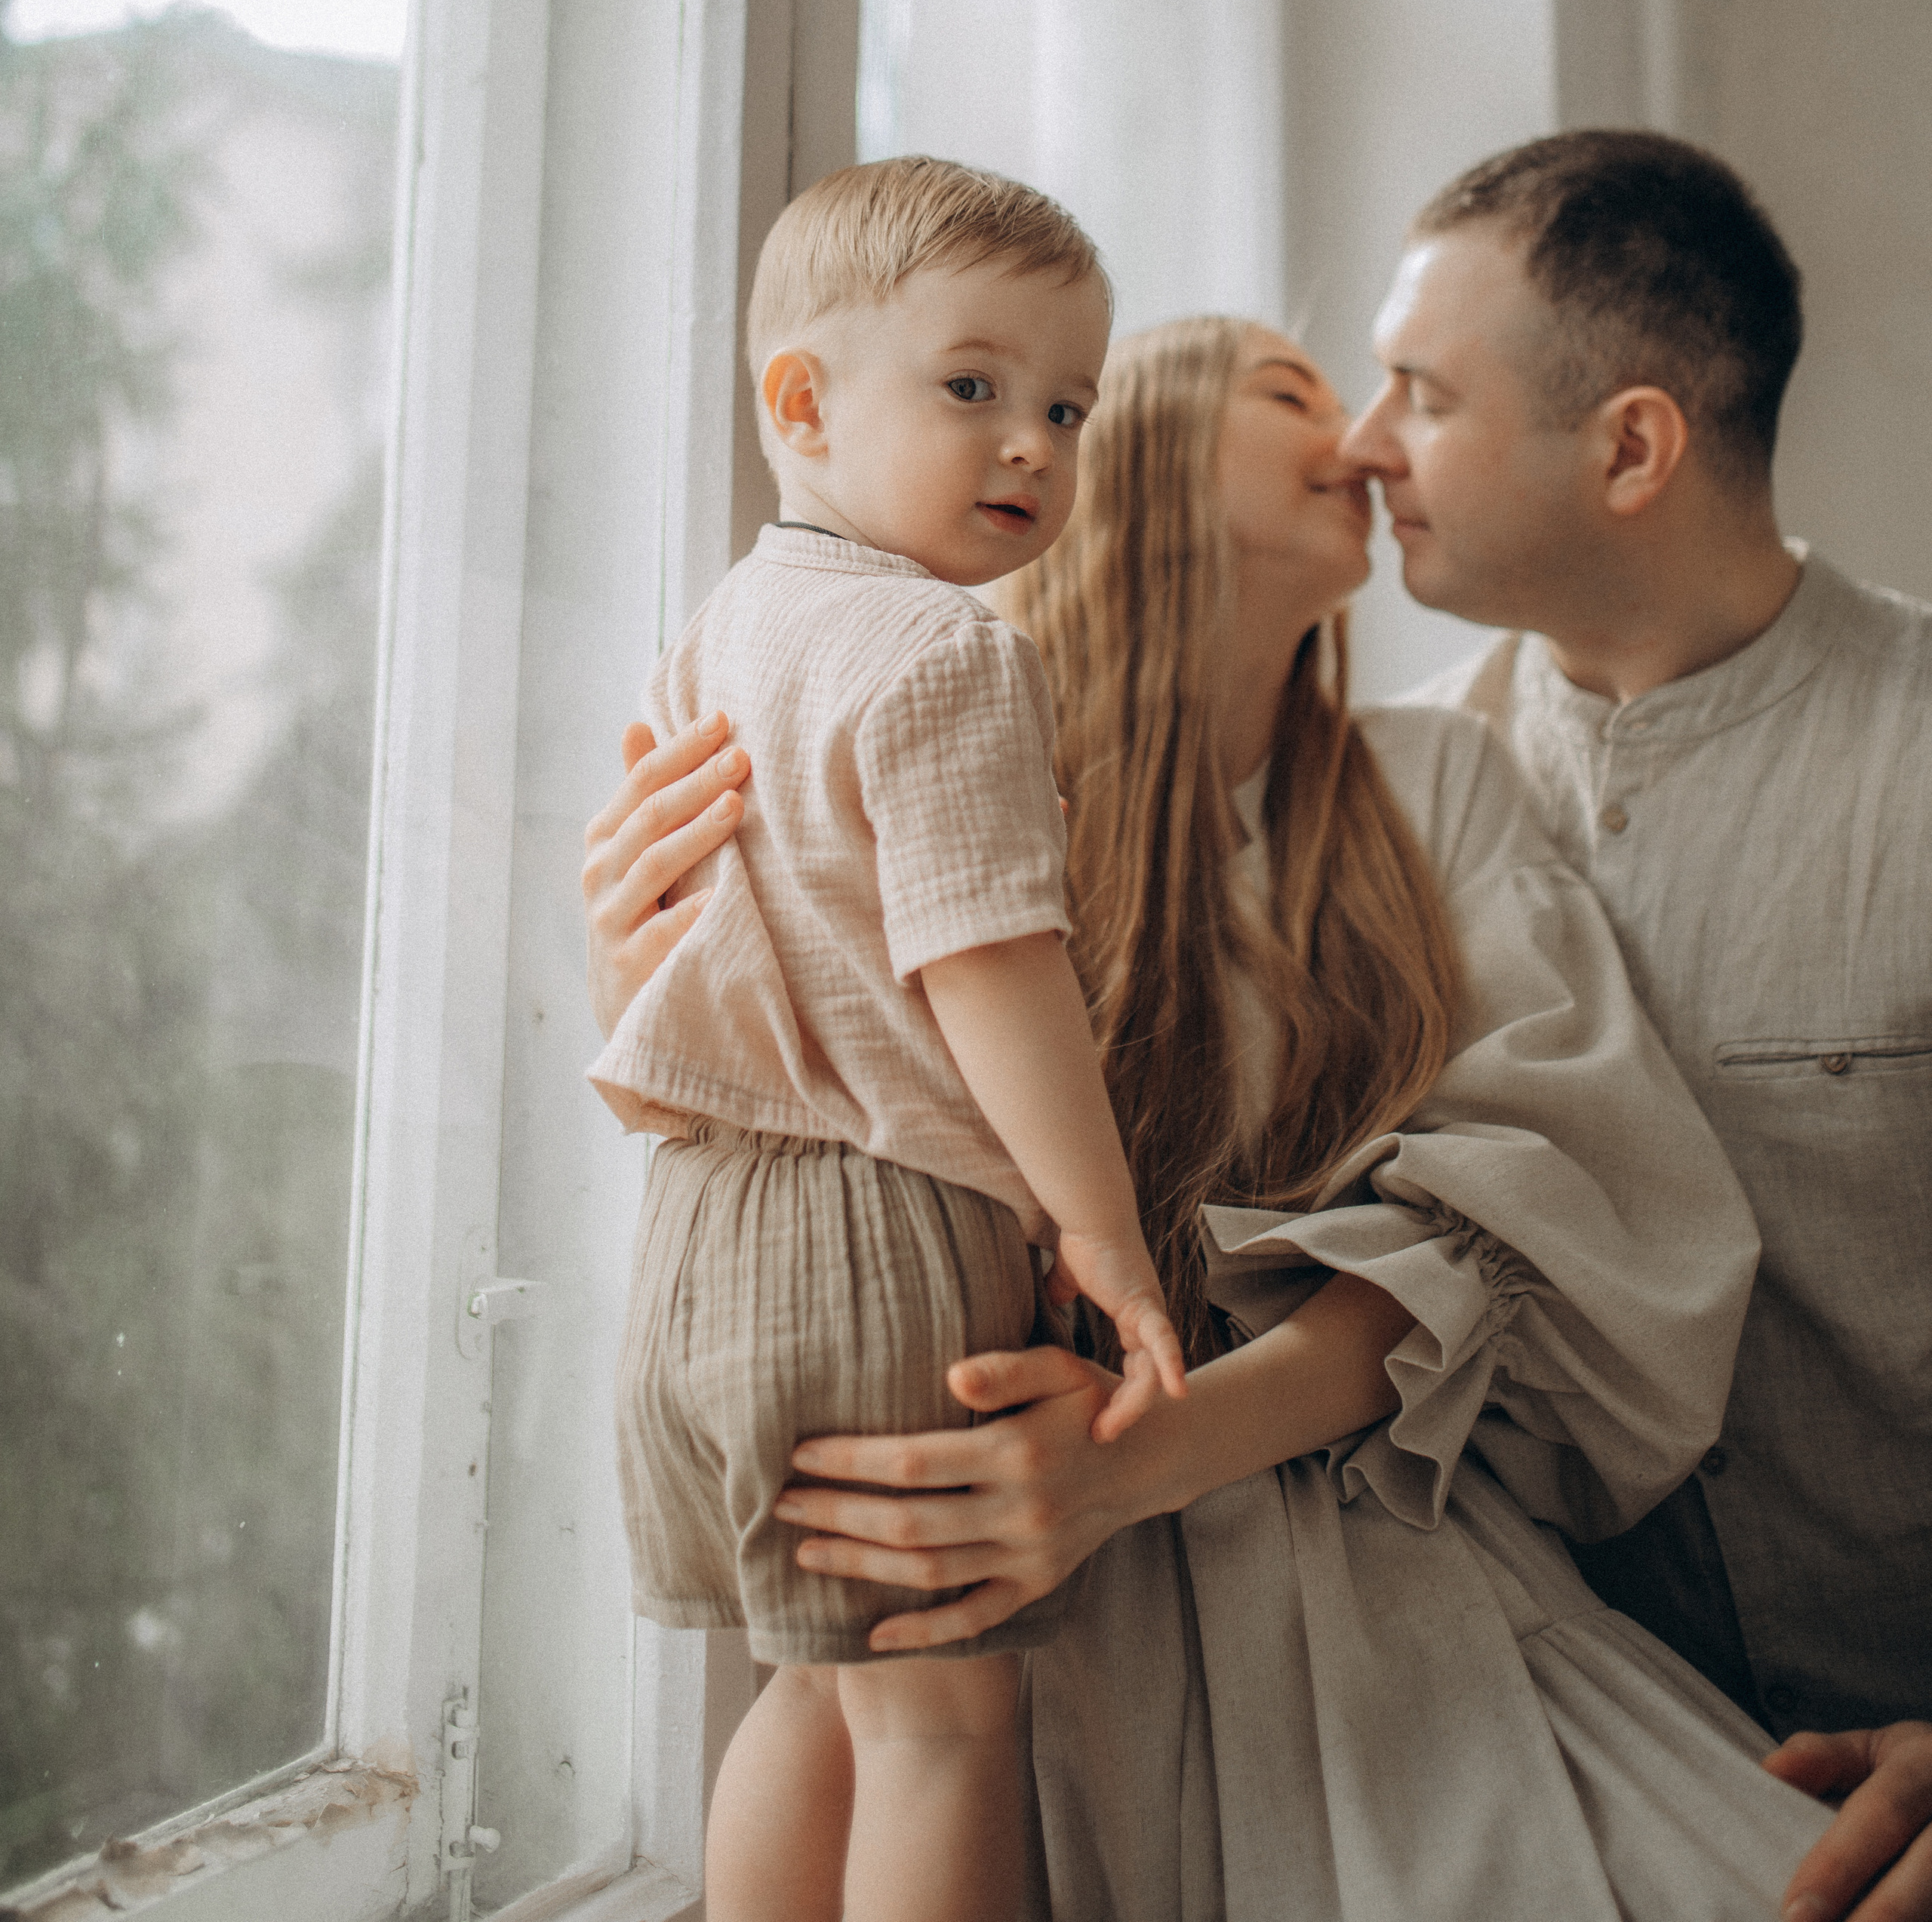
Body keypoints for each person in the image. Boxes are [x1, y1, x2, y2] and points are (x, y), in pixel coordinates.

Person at [586, 309, 1837, 1920]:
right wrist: (653, 975)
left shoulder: (1426, 784)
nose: (1365, 439)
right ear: (1146, 455)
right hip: (1022, 1631)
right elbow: (797, 1181)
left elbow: (1551, 1219)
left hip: (1382, 1606)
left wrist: (1138, 1458)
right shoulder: (941, 750)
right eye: (1291, 391)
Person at [1340, 128, 1932, 1922]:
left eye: (1419, 395)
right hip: (1550, 1812)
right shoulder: (1369, 809)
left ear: (1628, 446)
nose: (1358, 446)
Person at [584, 155, 1185, 1922]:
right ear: (801, 403)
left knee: (826, 1700)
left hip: (699, 1238)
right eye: (973, 388)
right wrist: (1099, 1225)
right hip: (872, 1225)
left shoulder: (722, 631)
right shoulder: (940, 653)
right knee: (941, 1723)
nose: (1032, 446)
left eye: (1067, 407)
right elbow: (987, 966)